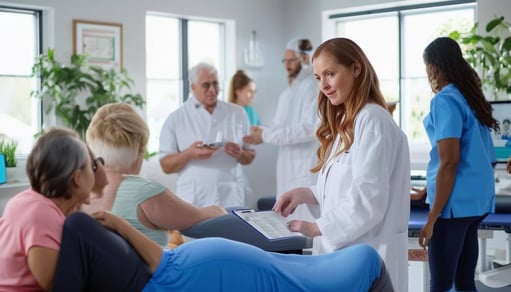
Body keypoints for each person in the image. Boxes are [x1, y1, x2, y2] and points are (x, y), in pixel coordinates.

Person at [272, 37, 410, 292]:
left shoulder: (373, 120)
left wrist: (317, 227)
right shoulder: (348, 123)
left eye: (330, 74)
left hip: (369, 253)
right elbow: (344, 188)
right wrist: (305, 194)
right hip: (346, 255)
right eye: (317, 77)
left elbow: (369, 200)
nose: (323, 85)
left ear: (356, 69)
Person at [51, 211, 395, 292]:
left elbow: (161, 262)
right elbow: (161, 266)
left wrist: (120, 227)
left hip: (354, 267)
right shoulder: (159, 278)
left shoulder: (155, 271)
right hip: (353, 269)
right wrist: (122, 226)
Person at [81, 102, 227, 247]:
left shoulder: (78, 192)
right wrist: (220, 210)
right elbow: (201, 216)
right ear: (139, 152)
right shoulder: (143, 192)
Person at [416, 37, 497, 292]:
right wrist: (428, 190)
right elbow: (486, 158)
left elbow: (449, 161)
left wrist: (432, 217)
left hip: (453, 208)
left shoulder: (445, 100)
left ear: (434, 66)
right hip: (477, 203)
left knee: (440, 285)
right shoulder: (471, 99)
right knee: (464, 282)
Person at [0, 127, 108, 291]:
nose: (95, 171)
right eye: (91, 167)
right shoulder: (42, 215)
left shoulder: (26, 199)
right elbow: (58, 285)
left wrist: (81, 197)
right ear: (77, 179)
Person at [159, 62, 255, 208]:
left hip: (230, 196)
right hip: (194, 199)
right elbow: (166, 166)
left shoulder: (237, 113)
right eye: (206, 85)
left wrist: (240, 153)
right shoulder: (176, 119)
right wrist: (188, 154)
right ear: (193, 87)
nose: (212, 90)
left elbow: (250, 155)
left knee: (231, 230)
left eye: (215, 84)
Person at [243, 38, 319, 221]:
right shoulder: (287, 93)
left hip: (305, 167)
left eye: (291, 60)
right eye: (285, 61)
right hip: (287, 168)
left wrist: (266, 134)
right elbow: (279, 128)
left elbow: (309, 129)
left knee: (306, 224)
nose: (287, 65)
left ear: (305, 58)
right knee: (287, 222)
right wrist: (260, 133)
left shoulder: (313, 87)